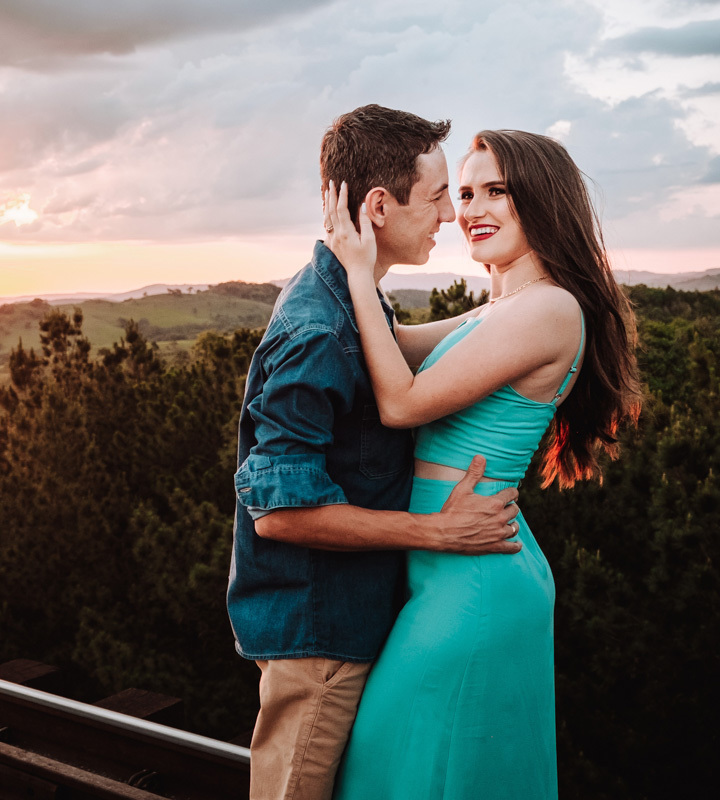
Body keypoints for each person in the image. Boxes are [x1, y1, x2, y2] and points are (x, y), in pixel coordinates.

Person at [325, 130, 642, 799]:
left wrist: (356, 274)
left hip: (479, 584)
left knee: (401, 770)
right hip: (446, 566)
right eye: (463, 193)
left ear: (542, 200)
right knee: (401, 771)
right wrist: (364, 249)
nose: (471, 208)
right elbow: (397, 343)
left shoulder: (551, 309)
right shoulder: (502, 309)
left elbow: (401, 400)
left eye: (496, 190)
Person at [227, 105, 524, 800]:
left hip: (344, 624)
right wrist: (437, 533)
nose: (450, 215)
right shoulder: (318, 331)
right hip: (319, 639)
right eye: (438, 196)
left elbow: (418, 348)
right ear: (381, 206)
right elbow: (281, 514)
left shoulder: (348, 303)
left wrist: (516, 310)